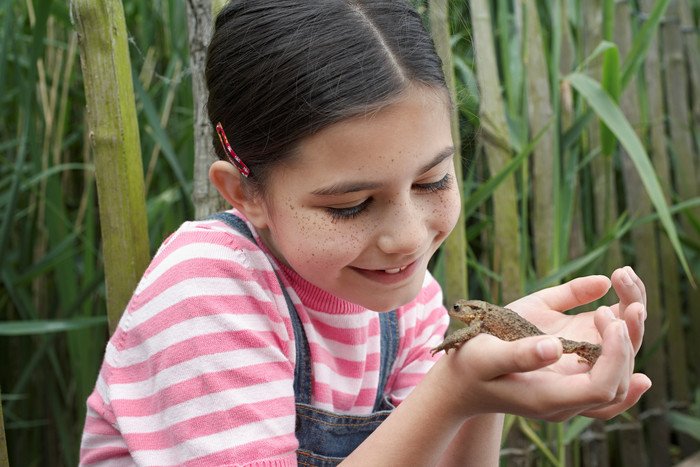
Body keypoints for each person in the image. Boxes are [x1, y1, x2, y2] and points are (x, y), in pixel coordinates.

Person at [79, 0, 651, 465]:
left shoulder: (410, 300)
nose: (405, 239)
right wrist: (452, 393)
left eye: (432, 181)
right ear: (244, 194)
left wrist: (491, 387)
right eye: (352, 205)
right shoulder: (203, 294)